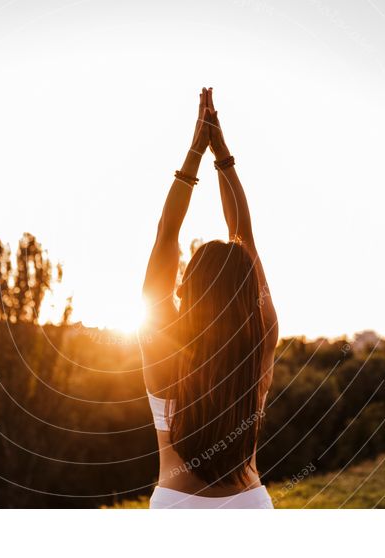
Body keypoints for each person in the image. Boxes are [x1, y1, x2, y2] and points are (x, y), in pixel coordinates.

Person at [139, 88, 279, 509]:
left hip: (176, 508)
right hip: (248, 507)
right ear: (247, 288)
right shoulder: (261, 339)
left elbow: (166, 236)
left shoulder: (161, 342)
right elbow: (246, 237)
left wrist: (195, 152)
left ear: (188, 285)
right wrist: (224, 156)